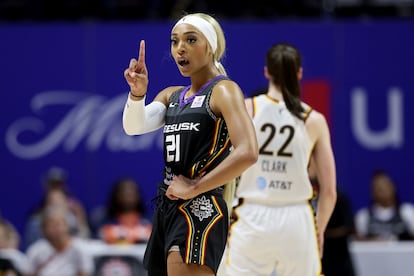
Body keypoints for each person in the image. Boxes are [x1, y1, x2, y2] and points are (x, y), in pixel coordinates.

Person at [122, 12, 258, 276]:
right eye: (174, 41)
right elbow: (133, 127)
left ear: (210, 47)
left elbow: (248, 152)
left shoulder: (223, 90)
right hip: (168, 209)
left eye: (190, 39)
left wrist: (195, 186)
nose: (180, 48)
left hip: (199, 207)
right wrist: (137, 95)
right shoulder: (172, 95)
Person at [220, 42, 337, 276]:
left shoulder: (247, 108)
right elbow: (329, 191)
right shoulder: (314, 119)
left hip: (253, 214)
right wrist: (319, 229)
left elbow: (222, 167)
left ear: (267, 72)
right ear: (299, 73)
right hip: (297, 218)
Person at [26, 207, 94, 276]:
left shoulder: (80, 248)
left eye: (58, 224)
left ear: (67, 226)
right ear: (43, 228)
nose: (55, 229)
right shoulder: (35, 250)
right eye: (51, 225)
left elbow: (85, 273)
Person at [354, 169, 414, 241]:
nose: (383, 190)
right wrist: (373, 241)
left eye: (385, 186)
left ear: (393, 187)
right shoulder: (363, 216)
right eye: (378, 188)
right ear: (372, 193)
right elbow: (357, 241)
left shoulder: (407, 212)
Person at [93, 177, 152, 244]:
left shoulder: (150, 220)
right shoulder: (102, 220)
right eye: (125, 193)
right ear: (116, 195)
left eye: (131, 194)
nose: (128, 197)